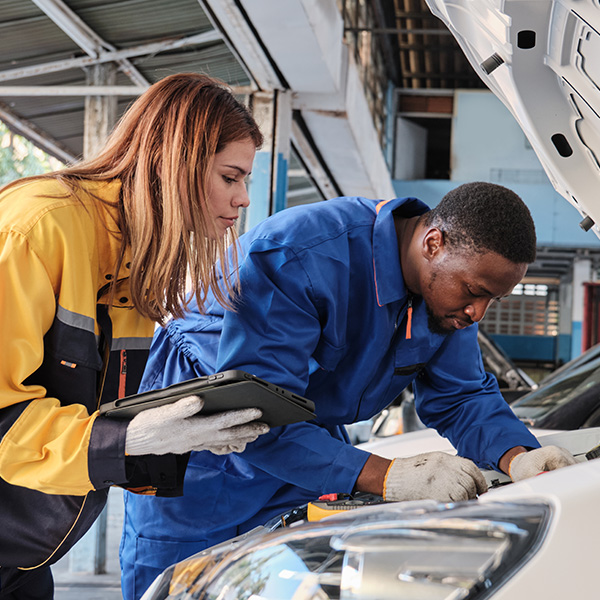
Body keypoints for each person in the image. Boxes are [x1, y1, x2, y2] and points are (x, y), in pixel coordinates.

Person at [120, 182, 577, 599]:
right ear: (433, 243)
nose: (478, 313)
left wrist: (519, 456)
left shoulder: (446, 297)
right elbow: (254, 411)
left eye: (491, 300)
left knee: (291, 584)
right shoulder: (298, 255)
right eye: (474, 292)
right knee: (181, 586)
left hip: (307, 450)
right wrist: (390, 477)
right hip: (200, 449)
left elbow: (462, 397)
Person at [0, 73, 270, 599]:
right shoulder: (38, 228)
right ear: (176, 162)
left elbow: (93, 417)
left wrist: (182, 435)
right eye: (230, 177)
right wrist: (132, 438)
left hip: (23, 559)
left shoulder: (130, 266)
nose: (241, 201)